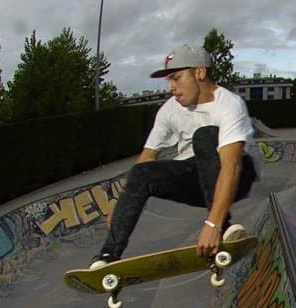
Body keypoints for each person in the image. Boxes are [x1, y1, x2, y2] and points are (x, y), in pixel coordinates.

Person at [90, 44, 260, 269]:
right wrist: (122, 204)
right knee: (140, 172)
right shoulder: (169, 110)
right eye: (168, 81)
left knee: (204, 136)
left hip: (236, 177)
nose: (171, 87)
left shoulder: (228, 105)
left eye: (176, 78)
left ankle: (225, 227)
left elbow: (231, 166)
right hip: (197, 179)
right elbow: (147, 157)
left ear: (200, 73)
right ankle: (108, 257)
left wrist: (213, 224)